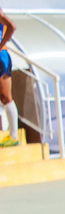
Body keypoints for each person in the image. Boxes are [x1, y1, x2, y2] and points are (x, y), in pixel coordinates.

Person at [0, 7, 18, 143]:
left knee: (6, 97)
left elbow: (11, 26)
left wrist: (1, 45)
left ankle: (13, 136)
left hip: (1, 56)